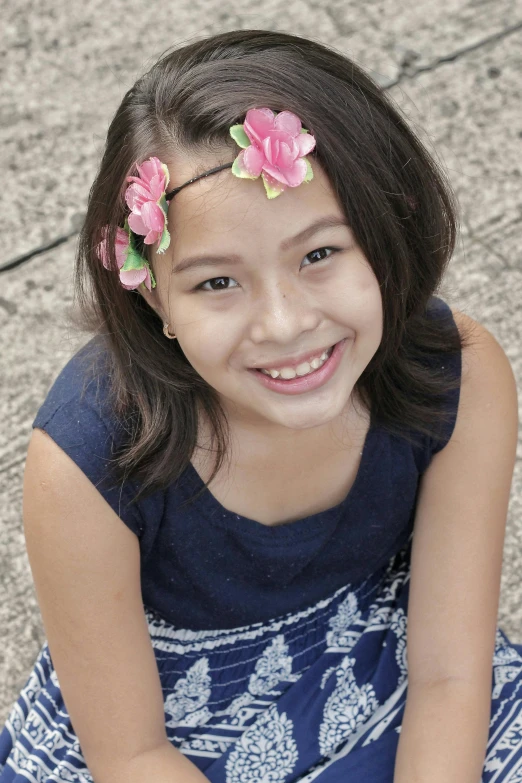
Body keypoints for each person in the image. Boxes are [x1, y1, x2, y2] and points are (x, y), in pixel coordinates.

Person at [0, 28, 521, 783]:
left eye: (319, 254)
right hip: (172, 735)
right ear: (154, 295)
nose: (283, 325)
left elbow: (448, 675)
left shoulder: (458, 376)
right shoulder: (88, 461)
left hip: (392, 673)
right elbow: (133, 753)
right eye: (217, 282)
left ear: (388, 228)